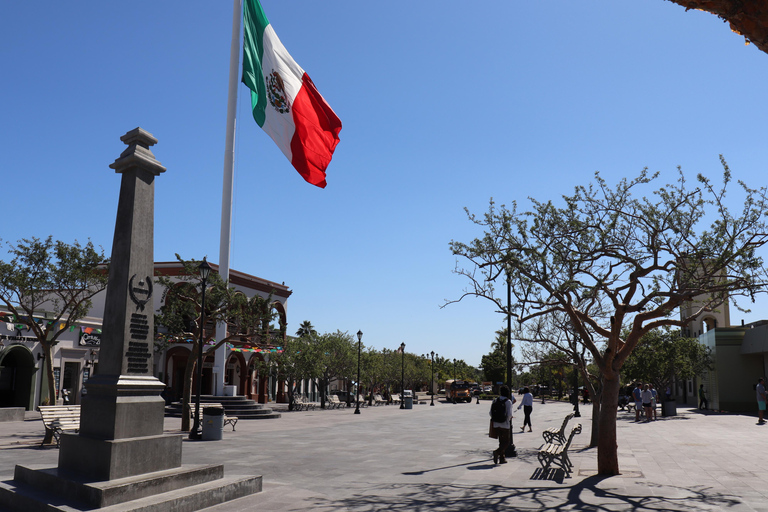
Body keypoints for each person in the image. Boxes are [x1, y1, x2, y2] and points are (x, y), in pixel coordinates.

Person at [489, 385, 515, 464]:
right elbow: (509, 414)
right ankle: (497, 452)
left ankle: (502, 458)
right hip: (505, 424)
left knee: (501, 441)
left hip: (496, 424)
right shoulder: (508, 401)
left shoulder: (495, 400)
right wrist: (509, 419)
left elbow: (490, 413)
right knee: (506, 442)